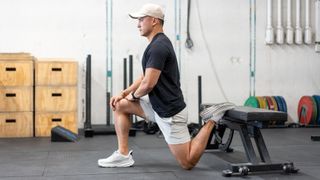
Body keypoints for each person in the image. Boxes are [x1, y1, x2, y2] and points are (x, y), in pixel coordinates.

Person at [98, 3, 235, 170]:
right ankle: (123, 154)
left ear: (154, 21)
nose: (138, 24)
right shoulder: (155, 44)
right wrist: (124, 93)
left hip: (170, 113)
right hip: (157, 107)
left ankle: (212, 119)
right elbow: (144, 77)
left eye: (141, 19)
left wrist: (133, 97)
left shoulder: (158, 46)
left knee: (188, 162)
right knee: (120, 105)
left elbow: (148, 84)